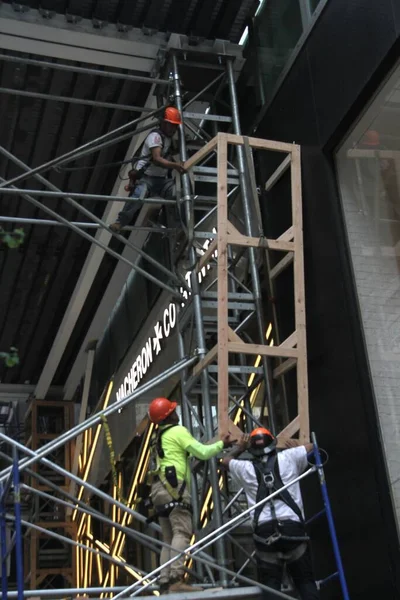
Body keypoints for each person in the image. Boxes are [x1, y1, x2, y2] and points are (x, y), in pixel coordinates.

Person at [147, 397, 234, 594]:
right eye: (173, 411)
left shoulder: (158, 437)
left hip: (159, 490)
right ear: (169, 416)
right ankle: (176, 579)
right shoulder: (177, 431)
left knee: (168, 537)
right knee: (182, 532)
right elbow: (202, 452)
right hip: (174, 488)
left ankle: (164, 580)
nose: (177, 413)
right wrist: (221, 444)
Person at [221, 427, 319, 600]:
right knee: (305, 583)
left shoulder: (245, 468)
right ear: (273, 443)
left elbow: (225, 461)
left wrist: (239, 448)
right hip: (292, 530)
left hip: (265, 534)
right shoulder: (289, 457)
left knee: (271, 589)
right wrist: (297, 444)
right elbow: (313, 447)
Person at [110, 107, 186, 233]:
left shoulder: (168, 139)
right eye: (171, 125)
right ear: (163, 123)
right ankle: (120, 222)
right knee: (139, 195)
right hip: (146, 178)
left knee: (177, 194)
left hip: (162, 180)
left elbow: (172, 150)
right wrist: (176, 165)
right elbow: (157, 158)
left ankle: (179, 227)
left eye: (175, 126)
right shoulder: (155, 136)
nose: (173, 129)